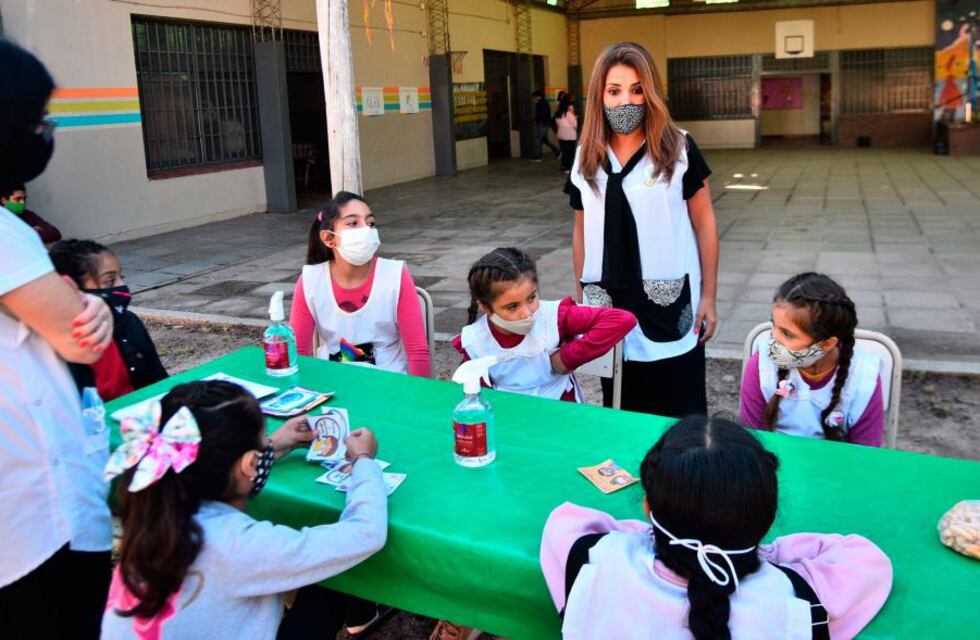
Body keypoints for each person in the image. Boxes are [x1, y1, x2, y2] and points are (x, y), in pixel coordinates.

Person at [540, 416, 893, 639]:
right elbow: (866, 560)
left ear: (648, 508)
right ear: (764, 522)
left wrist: (653, 533)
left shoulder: (593, 562)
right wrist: (769, 554)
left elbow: (566, 519)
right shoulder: (799, 600)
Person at [101, 380, 388, 639]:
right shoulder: (237, 545)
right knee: (332, 577)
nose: (267, 446)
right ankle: (361, 612)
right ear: (249, 463)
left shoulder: (155, 508)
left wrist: (272, 446)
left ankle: (360, 615)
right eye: (263, 442)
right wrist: (363, 460)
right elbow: (367, 533)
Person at [0, 38, 117, 639]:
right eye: (37, 120)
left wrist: (88, 305)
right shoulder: (5, 235)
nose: (46, 133)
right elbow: (80, 337)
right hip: (32, 518)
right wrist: (89, 307)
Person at [567, 41, 719, 418]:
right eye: (614, 91)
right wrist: (583, 299)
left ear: (650, 93)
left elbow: (705, 223)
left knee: (681, 416)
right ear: (599, 95)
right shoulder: (586, 155)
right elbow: (581, 231)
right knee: (621, 409)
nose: (626, 102)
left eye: (637, 90)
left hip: (669, 303)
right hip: (607, 302)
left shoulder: (678, 148)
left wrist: (710, 296)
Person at [453, 247, 635, 403]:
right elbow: (476, 397)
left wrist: (567, 358)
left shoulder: (555, 316)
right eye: (512, 306)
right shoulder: (474, 341)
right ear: (485, 307)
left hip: (562, 411)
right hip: (511, 418)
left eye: (532, 298)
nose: (527, 312)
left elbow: (622, 320)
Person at [289, 191, 431, 377]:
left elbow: (417, 351)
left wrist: (418, 399)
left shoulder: (395, 275)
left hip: (389, 382)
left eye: (370, 223)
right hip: (333, 381)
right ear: (328, 238)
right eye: (353, 223)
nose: (366, 229)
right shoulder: (310, 281)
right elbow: (298, 353)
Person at [740, 272, 885, 447]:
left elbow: (866, 455)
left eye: (787, 334)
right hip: (773, 465)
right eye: (774, 325)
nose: (773, 338)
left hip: (837, 468)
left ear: (826, 345)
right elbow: (749, 444)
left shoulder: (864, 378)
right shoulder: (761, 366)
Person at [50, 239, 168, 401]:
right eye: (110, 281)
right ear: (71, 287)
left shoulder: (129, 322)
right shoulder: (56, 345)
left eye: (121, 277)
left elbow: (158, 380)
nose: (122, 287)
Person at [533, 89, 560, 162]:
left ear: (537, 97)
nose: (533, 100)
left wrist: (535, 118)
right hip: (545, 123)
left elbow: (541, 114)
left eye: (534, 98)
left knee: (538, 140)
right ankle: (557, 152)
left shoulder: (541, 103)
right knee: (545, 140)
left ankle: (538, 157)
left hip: (542, 124)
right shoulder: (544, 102)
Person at [554, 98, 577, 174]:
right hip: (569, 134)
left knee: (564, 151)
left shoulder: (557, 113)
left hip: (561, 134)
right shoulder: (568, 113)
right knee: (570, 151)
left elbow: (556, 124)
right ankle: (568, 167)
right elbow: (574, 124)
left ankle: (564, 165)